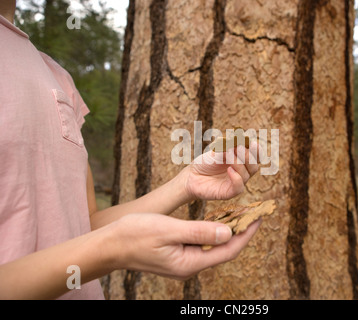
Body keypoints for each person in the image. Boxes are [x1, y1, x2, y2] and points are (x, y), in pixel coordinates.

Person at [0, 0, 261, 299]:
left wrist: (186, 183)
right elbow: (102, 244)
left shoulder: (57, 77)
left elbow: (84, 228)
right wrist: (113, 249)